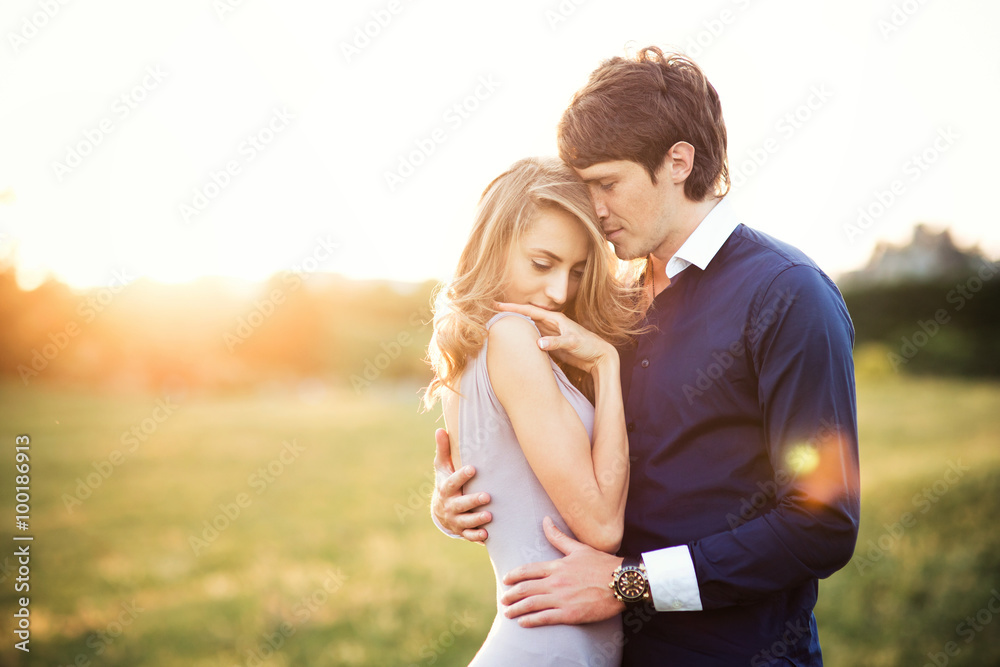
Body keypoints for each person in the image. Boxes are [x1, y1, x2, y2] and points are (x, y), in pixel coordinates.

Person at [432, 47, 860, 666]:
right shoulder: (607, 310)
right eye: (586, 188)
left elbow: (821, 524)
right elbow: (541, 440)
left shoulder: (788, 295)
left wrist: (627, 583)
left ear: (678, 162)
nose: (594, 209)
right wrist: (459, 500)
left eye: (608, 183)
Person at [422, 156, 647, 665]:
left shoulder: (480, 340)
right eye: (542, 264)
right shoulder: (511, 337)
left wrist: (443, 511)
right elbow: (602, 527)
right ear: (493, 246)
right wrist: (607, 367)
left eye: (577, 270)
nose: (559, 292)